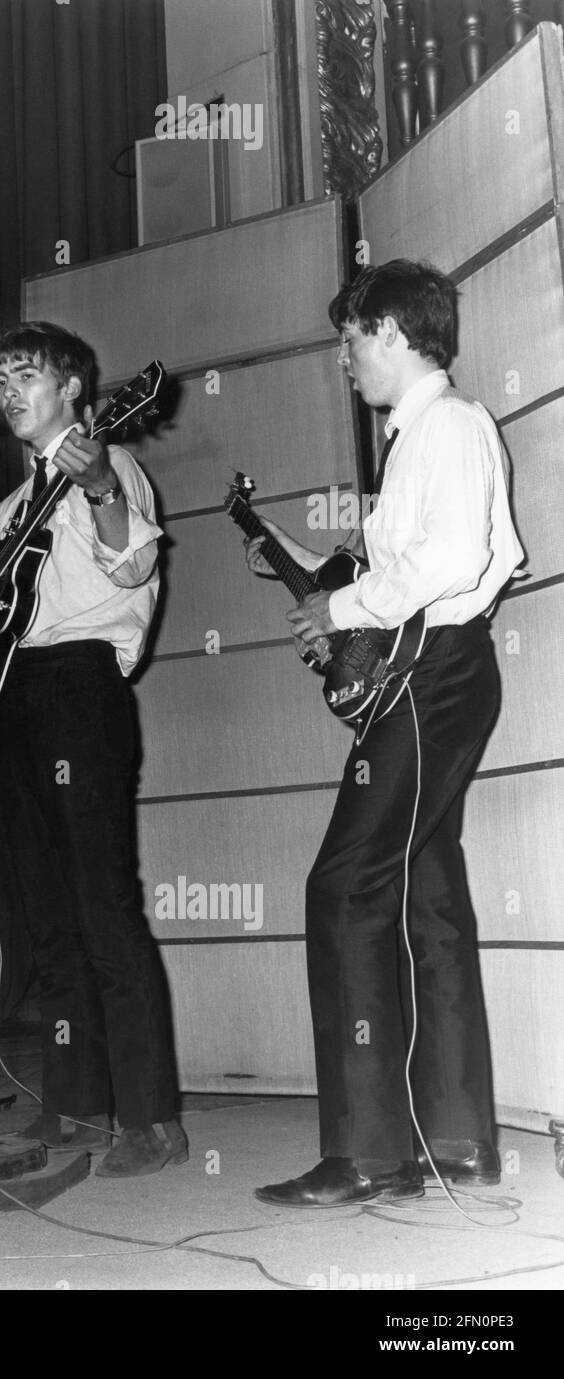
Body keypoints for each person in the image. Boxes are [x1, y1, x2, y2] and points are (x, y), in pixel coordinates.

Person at [246, 261, 524, 1207]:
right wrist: (316, 581)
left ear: (399, 334)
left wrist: (344, 604)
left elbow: (453, 558)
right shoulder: (432, 436)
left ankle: (366, 1150)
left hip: (433, 678)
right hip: (443, 672)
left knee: (344, 884)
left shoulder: (444, 426)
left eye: (353, 339)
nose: (344, 357)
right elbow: (403, 564)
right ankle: (456, 1135)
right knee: (428, 890)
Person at [0, 321, 184, 1177]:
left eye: (25, 374)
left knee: (104, 908)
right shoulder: (9, 511)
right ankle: (76, 1103)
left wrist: (104, 484)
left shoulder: (112, 467)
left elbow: (133, 569)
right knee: (48, 917)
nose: (6, 389)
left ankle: (151, 1118)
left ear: (74, 389)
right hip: (11, 702)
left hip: (80, 693)